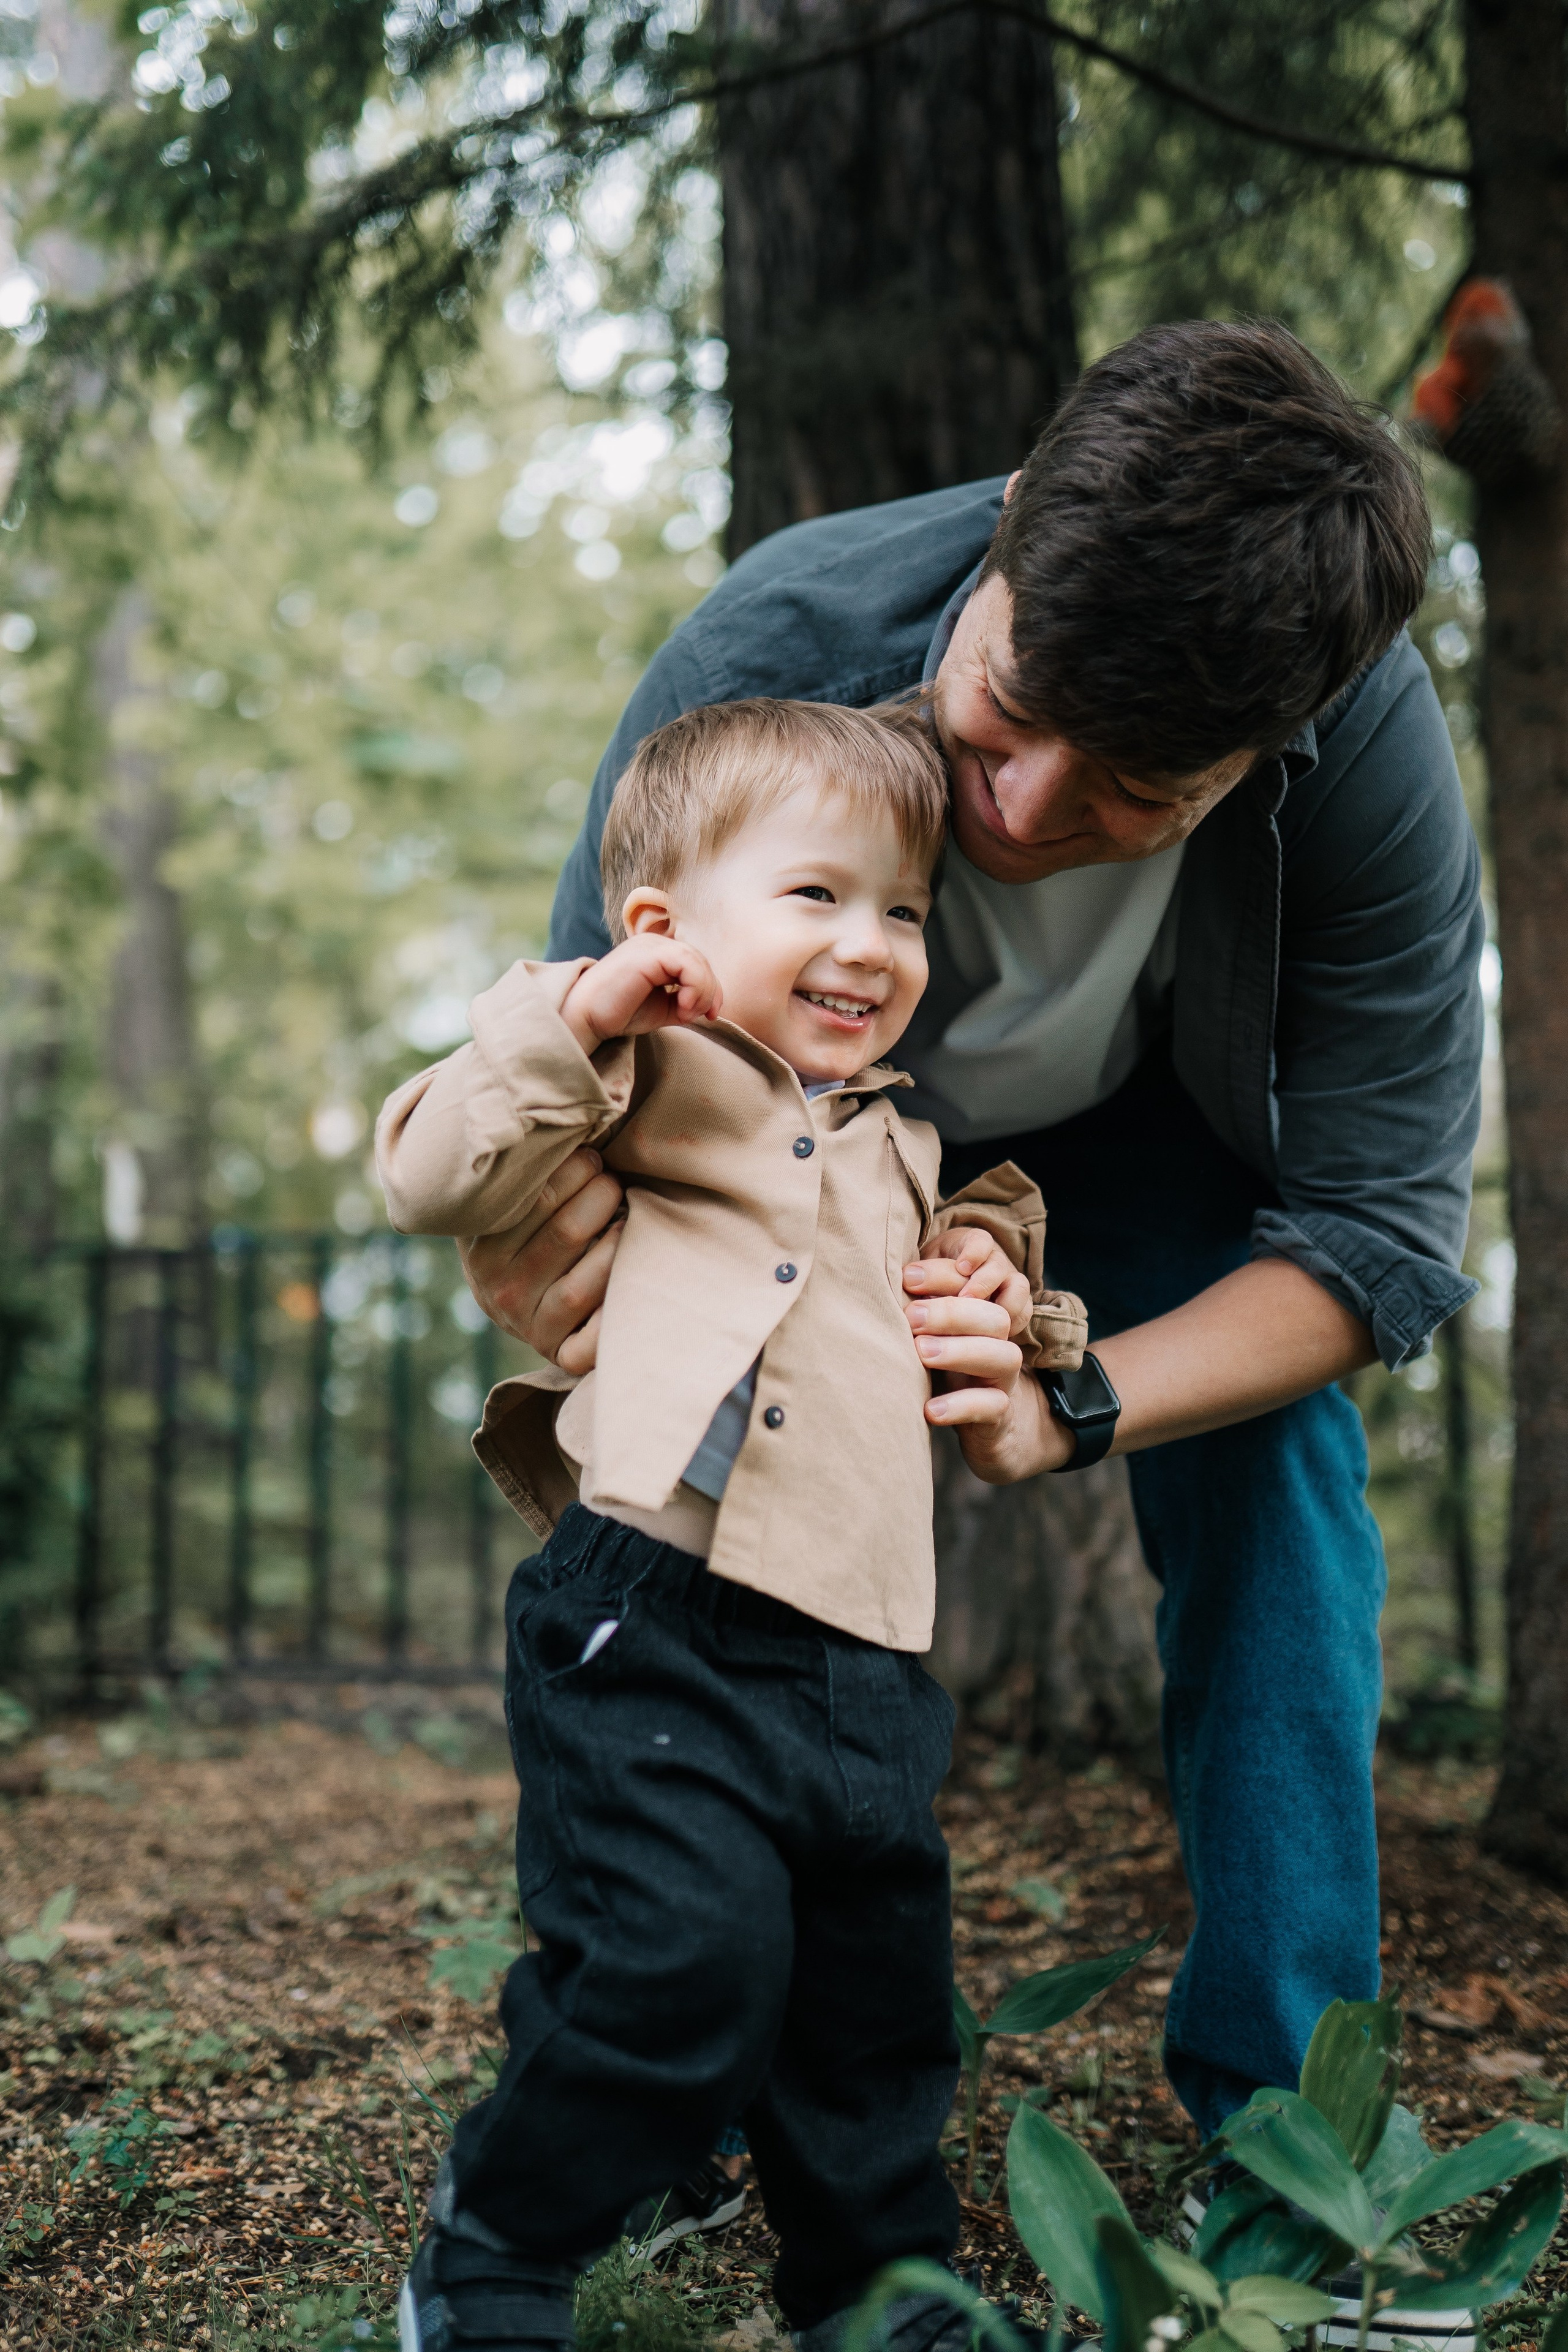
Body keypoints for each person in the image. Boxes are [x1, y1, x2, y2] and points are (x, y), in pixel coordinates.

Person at [464, 322, 1484, 2342]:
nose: (1018, 808)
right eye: (1005, 717)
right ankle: (646, 2064)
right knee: (669, 1523)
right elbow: (577, 1076)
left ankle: (1298, 2140)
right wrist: (573, 1273)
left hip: (1136, 1155)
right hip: (783, 1135)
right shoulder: (775, 636)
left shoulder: (1360, 742)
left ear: (1267, 745)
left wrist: (1079, 1400)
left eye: (1135, 792)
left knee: (1280, 1477)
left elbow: (1374, 1229)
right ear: (1011, 530)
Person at [376, 697, 1088, 2352]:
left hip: (862, 1658)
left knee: (873, 2016)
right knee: (677, 1960)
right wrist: (580, 1016)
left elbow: (977, 1331)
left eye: (904, 908)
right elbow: (425, 1170)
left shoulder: (907, 1142)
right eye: (818, 896)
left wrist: (1008, 1280)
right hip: (654, 1622)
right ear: (662, 929)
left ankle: (878, 2296)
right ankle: (493, 2251)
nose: (873, 943)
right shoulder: (633, 1070)